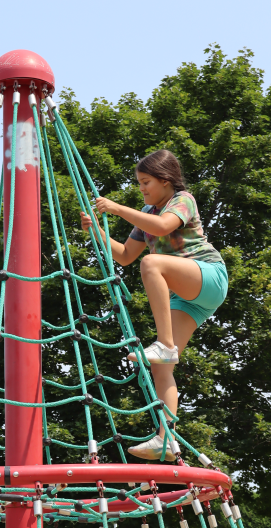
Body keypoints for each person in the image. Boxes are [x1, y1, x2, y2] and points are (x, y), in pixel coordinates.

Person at [80, 149, 228, 460]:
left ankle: (164, 343)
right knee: (162, 369)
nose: (142, 188)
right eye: (139, 183)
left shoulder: (182, 200)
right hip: (186, 298)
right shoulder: (147, 212)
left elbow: (162, 227)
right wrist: (96, 230)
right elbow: (123, 256)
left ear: (165, 180)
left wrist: (118, 209)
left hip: (208, 276)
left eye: (146, 182)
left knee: (152, 264)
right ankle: (166, 437)